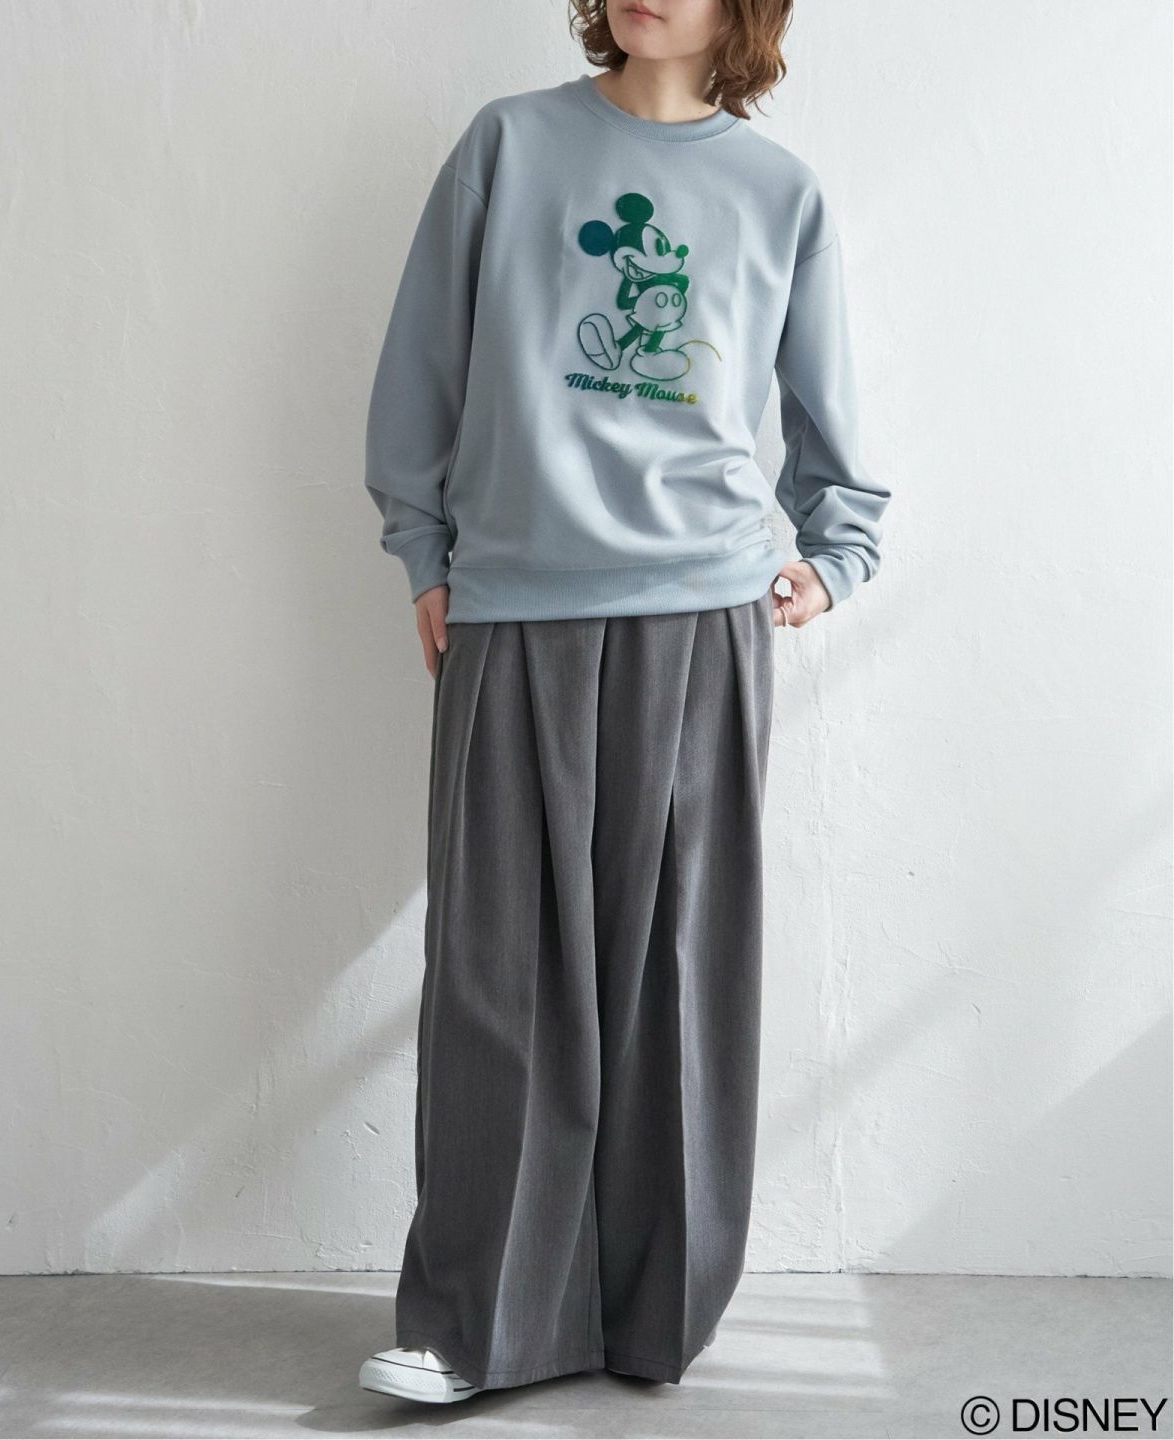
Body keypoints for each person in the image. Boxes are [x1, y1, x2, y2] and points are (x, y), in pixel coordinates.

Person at [358, 0, 890, 1405]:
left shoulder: (780, 194)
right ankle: (474, 1329)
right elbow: (422, 364)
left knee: (678, 976)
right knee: (497, 978)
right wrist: (424, 553)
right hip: (512, 607)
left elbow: (831, 424)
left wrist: (834, 556)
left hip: (703, 616)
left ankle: (654, 1318)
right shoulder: (507, 148)